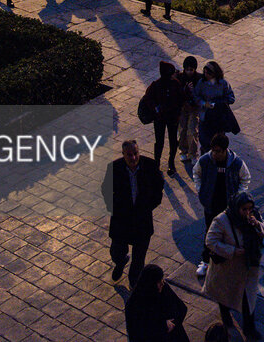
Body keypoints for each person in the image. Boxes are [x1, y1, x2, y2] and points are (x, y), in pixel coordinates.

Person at [203, 192, 264, 341]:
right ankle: (226, 318)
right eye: (243, 209)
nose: (247, 213)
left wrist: (257, 224)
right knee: (225, 295)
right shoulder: (222, 220)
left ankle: (249, 329)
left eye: (249, 209)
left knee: (248, 300)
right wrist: (232, 251)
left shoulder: (254, 215)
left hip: (248, 268)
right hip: (228, 268)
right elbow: (210, 241)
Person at [104, 140, 165, 285]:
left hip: (141, 221)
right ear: (123, 155)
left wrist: (149, 206)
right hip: (121, 220)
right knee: (116, 252)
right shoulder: (114, 168)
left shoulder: (150, 166)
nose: (133, 158)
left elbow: (158, 187)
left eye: (135, 153)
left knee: (138, 260)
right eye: (129, 155)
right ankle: (121, 262)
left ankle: (134, 284)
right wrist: (113, 207)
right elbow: (105, 189)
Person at [193, 133, 250, 278]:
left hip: (228, 206)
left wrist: (238, 196)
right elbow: (196, 173)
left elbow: (245, 178)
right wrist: (201, 190)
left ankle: (226, 262)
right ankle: (206, 261)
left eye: (218, 151)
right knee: (209, 232)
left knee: (228, 234)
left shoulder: (236, 163)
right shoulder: (205, 160)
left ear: (225, 150)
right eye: (213, 150)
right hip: (211, 204)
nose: (215, 154)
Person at [124, 264, 189, 342]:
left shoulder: (163, 289)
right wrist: (163, 326)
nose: (162, 283)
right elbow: (137, 333)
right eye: (159, 282)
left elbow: (181, 309)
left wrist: (172, 324)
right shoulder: (134, 305)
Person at [145, 61, 186, 176]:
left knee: (173, 141)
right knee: (159, 142)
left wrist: (177, 111)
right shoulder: (156, 85)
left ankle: (171, 163)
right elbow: (148, 99)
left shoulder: (175, 84)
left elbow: (181, 98)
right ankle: (156, 163)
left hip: (172, 118)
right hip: (160, 118)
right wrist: (156, 108)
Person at [176, 56, 203, 167]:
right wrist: (185, 90)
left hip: (194, 108)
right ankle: (183, 150)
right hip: (183, 108)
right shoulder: (180, 78)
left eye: (191, 70)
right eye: (187, 70)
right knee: (182, 129)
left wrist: (193, 91)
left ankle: (193, 153)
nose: (189, 72)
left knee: (192, 130)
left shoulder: (199, 79)